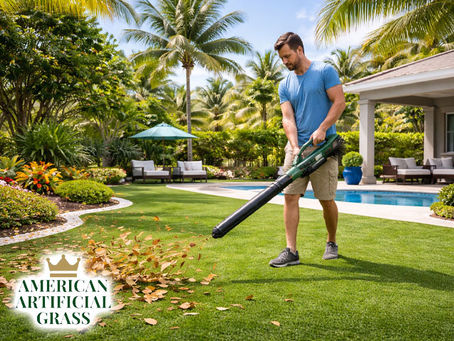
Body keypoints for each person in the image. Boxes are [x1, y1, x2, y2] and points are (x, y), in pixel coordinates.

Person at [269, 32, 346, 268]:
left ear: (300, 50)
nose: (285, 62)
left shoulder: (324, 71)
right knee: (290, 197)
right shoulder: (285, 84)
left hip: (324, 148)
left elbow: (339, 102)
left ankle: (331, 241)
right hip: (297, 148)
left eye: (288, 56)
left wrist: (323, 128)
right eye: (282, 59)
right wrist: (294, 148)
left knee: (326, 200)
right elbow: (287, 118)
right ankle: (291, 251)